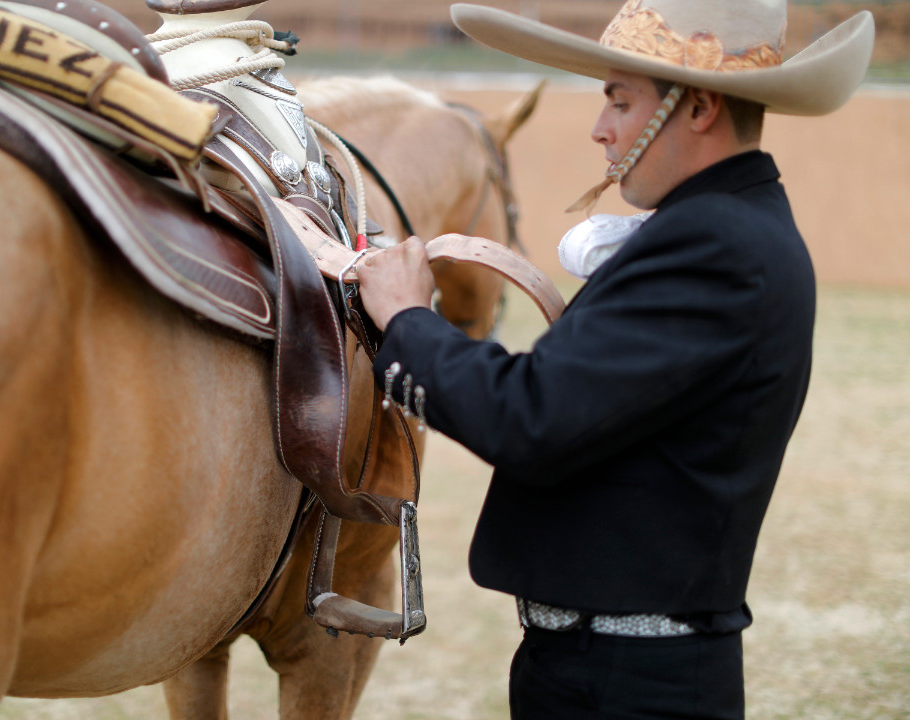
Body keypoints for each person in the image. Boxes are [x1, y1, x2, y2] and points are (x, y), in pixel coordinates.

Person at [354, 1, 875, 718]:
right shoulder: (721, 230)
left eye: (620, 102)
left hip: (627, 687)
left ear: (696, 108)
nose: (601, 129)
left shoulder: (715, 244)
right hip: (615, 671)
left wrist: (407, 316)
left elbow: (528, 415)